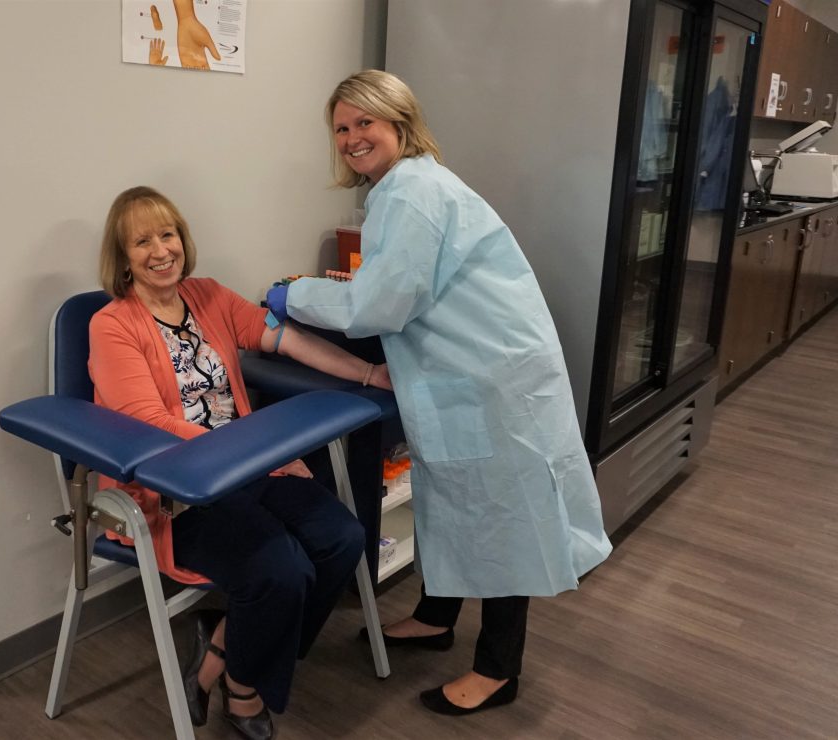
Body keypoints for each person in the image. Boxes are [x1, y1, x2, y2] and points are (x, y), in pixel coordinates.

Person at [266, 70, 613, 716]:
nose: (351, 137)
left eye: (364, 122)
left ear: (399, 122)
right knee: (454, 502)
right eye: (341, 128)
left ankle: (498, 670)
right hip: (469, 374)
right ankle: (435, 616)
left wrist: (295, 295)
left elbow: (382, 303)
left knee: (501, 518)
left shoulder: (411, 194)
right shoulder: (400, 190)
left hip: (492, 381)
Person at [89, 186, 392, 739]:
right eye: (141, 240)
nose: (160, 249)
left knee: (343, 538)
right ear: (121, 255)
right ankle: (242, 690)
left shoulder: (206, 296)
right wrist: (257, 454)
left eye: (168, 233)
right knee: (282, 570)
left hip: (249, 465)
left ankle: (221, 650)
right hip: (177, 488)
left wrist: (369, 374)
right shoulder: (111, 325)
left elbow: (286, 341)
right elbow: (145, 420)